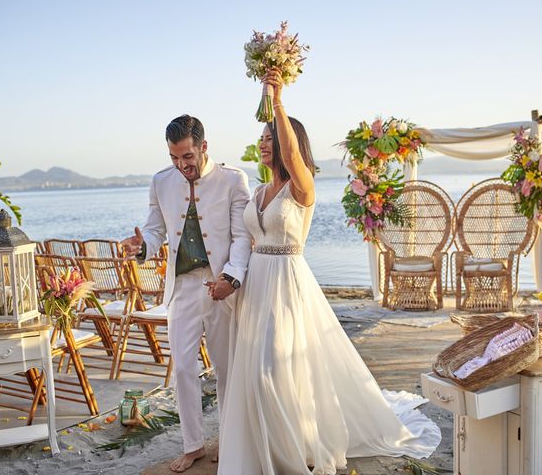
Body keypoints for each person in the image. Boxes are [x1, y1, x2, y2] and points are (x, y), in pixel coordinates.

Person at [217, 68, 441, 475]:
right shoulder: (257, 191)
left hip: (286, 283)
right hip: (255, 287)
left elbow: (292, 153)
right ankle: (262, 446)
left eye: (272, 138)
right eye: (262, 138)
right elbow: (241, 239)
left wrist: (278, 100)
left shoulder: (301, 186)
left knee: (275, 367)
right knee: (253, 371)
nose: (264, 143)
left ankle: (290, 452)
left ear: (290, 146)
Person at [121, 115, 251, 473]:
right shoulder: (160, 182)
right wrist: (141, 247)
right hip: (182, 287)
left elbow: (242, 237)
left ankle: (230, 440)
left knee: (226, 368)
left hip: (222, 286)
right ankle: (192, 444)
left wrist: (231, 278)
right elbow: (154, 230)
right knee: (182, 369)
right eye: (175, 158)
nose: (182, 165)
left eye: (188, 157)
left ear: (204, 147)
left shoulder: (233, 180)